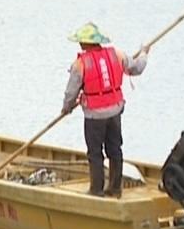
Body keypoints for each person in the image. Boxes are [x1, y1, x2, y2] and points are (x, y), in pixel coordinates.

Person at [60, 23, 148, 197]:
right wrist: (144, 54)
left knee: (95, 152)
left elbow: (71, 92)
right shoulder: (117, 54)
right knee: (115, 148)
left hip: (94, 115)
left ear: (85, 44)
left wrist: (66, 108)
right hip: (115, 111)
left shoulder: (80, 64)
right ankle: (115, 188)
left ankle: (96, 189)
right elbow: (137, 67)